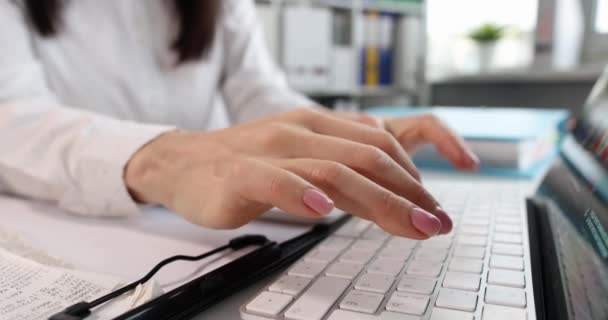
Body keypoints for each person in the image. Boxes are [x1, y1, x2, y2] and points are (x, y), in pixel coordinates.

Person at [0, 0, 478, 240]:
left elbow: (260, 94)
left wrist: (345, 132)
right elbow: (13, 115)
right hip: (67, 235)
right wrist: (159, 161)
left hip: (204, 232)